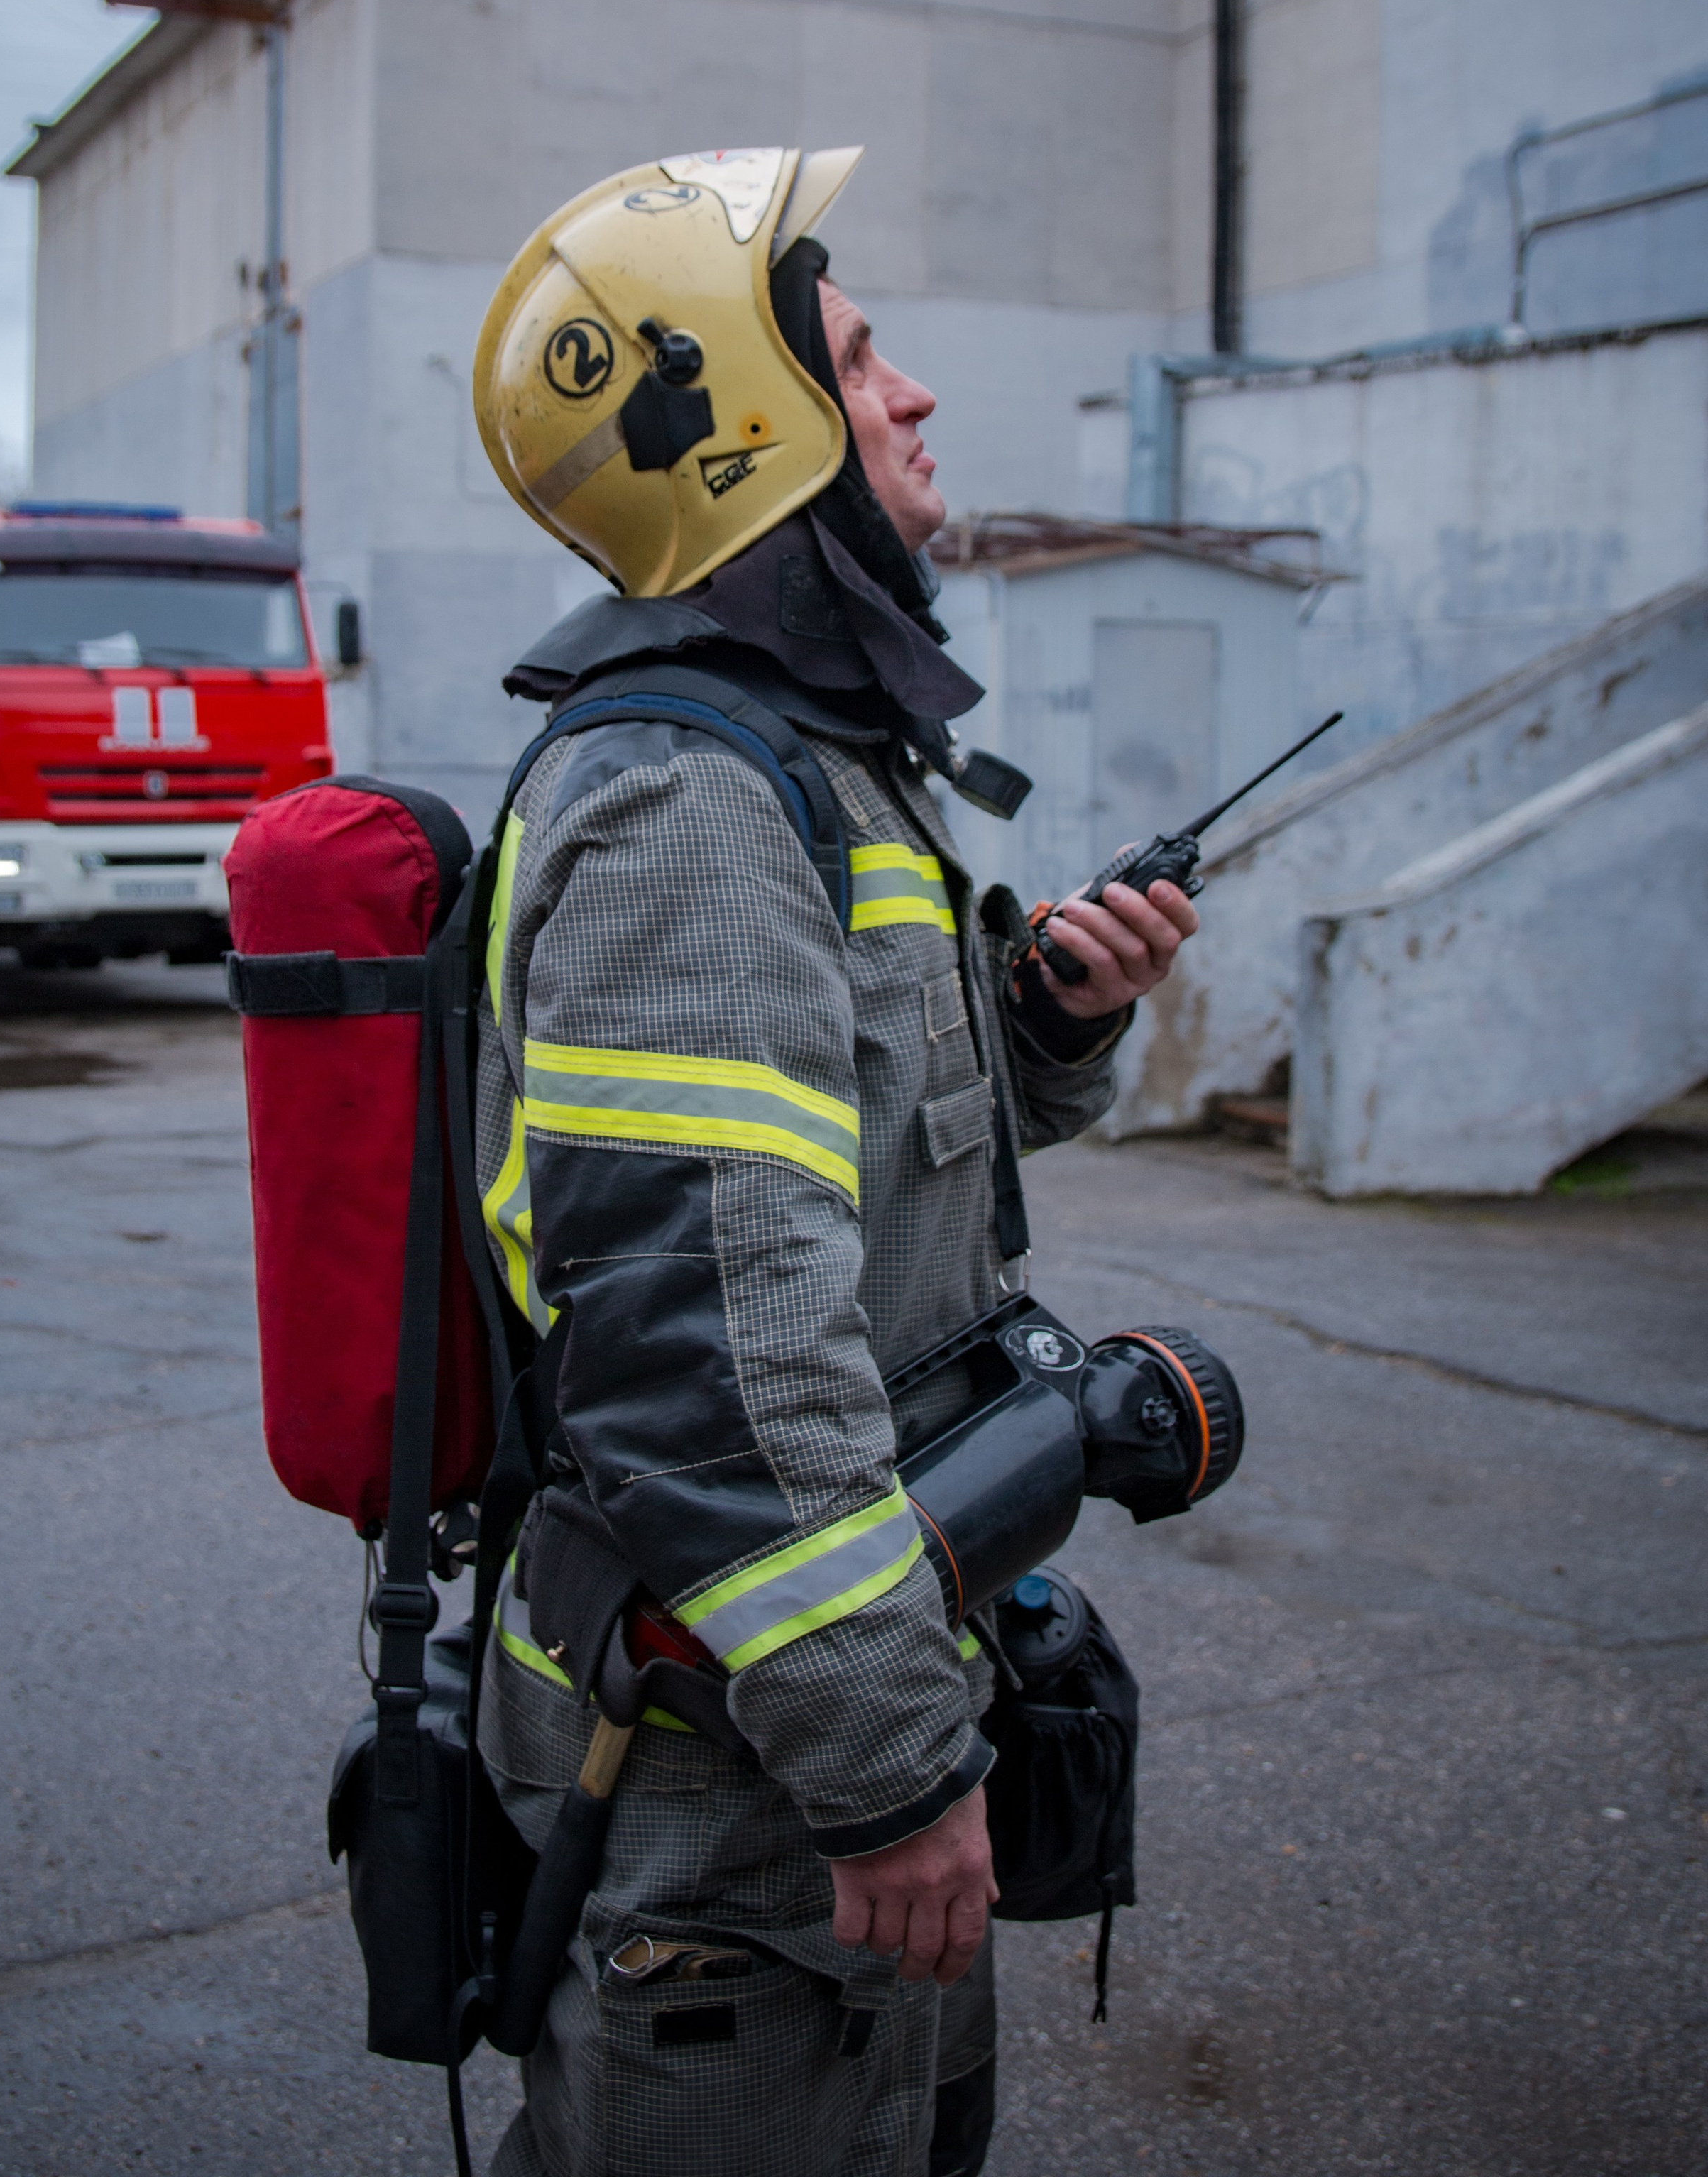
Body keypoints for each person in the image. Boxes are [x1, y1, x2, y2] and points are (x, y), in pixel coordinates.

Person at [469, 148, 1196, 2177]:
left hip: (815, 1703)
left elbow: (880, 1174)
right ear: (745, 425)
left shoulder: (820, 759)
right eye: (865, 361)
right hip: (742, 1775)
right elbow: (705, 1353)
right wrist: (889, 1773)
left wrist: (1051, 1022)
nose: (916, 395)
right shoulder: (694, 795)